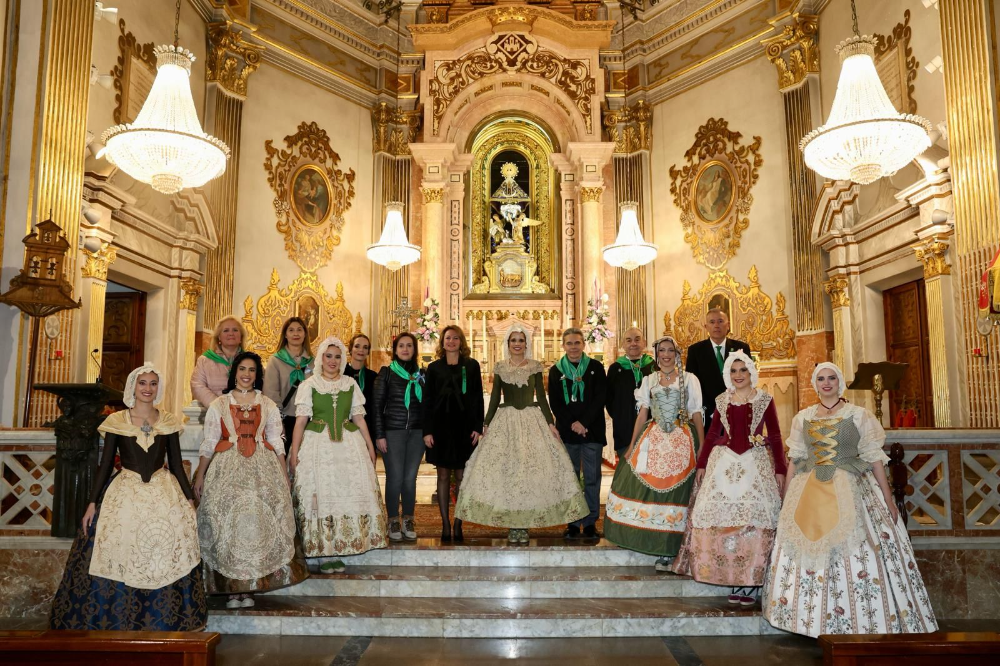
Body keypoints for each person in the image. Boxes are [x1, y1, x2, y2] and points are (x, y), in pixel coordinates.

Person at [762, 362, 938, 637]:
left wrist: (888, 500)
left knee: (856, 548)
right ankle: (808, 621)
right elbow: (795, 460)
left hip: (851, 485)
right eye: (821, 378)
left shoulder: (858, 415)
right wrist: (785, 500)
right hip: (808, 490)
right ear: (815, 383)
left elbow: (875, 459)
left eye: (832, 378)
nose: (826, 383)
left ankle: (861, 621)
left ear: (840, 382)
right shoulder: (802, 417)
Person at [50, 363, 206, 630]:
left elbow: (177, 465)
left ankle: (163, 618)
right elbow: (105, 464)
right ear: (133, 386)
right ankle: (116, 619)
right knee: (117, 544)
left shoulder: (168, 421)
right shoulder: (117, 421)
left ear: (158, 388)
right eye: (143, 383)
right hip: (124, 493)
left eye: (153, 383)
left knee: (164, 547)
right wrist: (91, 503)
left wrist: (190, 501)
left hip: (163, 492)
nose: (148, 388)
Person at [193, 352, 307, 609]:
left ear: (257, 375)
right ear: (235, 372)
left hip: (261, 470)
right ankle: (231, 590)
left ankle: (250, 587)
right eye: (243, 369)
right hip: (227, 469)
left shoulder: (267, 404)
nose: (247, 374)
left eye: (252, 370)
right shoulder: (219, 404)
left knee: (255, 525)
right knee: (228, 525)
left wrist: (283, 475)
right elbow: (210, 442)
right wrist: (200, 475)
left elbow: (276, 440)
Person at [671, 351, 785, 606]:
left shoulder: (765, 399)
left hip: (755, 465)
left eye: (743, 370)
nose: (738, 375)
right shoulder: (722, 400)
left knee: (753, 521)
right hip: (725, 463)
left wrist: (780, 469)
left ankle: (752, 581)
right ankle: (734, 577)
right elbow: (713, 435)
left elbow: (776, 435)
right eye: (733, 371)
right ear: (727, 374)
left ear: (751, 372)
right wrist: (702, 464)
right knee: (722, 521)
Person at [456, 325, 588, 543]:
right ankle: (513, 524)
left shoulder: (535, 366)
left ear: (526, 344)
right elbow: (495, 397)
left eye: (520, 340)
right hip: (505, 421)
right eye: (513, 340)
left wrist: (550, 423)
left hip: (531, 420)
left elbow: (542, 398)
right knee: (508, 473)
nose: (517, 344)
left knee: (529, 473)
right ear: (508, 344)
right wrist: (486, 424)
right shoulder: (500, 367)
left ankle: (524, 524)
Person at [604, 336, 704, 571]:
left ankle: (672, 549)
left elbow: (696, 413)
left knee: (676, 492)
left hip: (682, 439)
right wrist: (631, 446)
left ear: (677, 354)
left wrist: (702, 445)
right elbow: (642, 414)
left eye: (670, 350)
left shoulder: (689, 379)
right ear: (657, 354)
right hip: (654, 437)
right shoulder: (649, 380)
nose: (666, 355)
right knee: (650, 487)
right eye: (662, 351)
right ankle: (652, 542)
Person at [289, 337, 387, 571]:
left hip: (348, 444)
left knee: (345, 493)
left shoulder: (350, 384)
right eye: (328, 356)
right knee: (321, 496)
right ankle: (321, 552)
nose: (333, 361)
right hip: (318, 446)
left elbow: (359, 418)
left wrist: (370, 446)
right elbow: (300, 422)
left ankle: (340, 545)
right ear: (321, 358)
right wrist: (294, 452)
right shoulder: (310, 385)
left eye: (337, 356)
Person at [423, 325, 484, 541]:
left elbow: (477, 398)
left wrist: (477, 427)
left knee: (461, 476)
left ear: (461, 342)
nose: (451, 341)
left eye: (455, 338)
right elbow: (427, 401)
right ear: (442, 341)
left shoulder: (471, 365)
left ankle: (458, 522)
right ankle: (445, 524)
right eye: (448, 338)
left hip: (464, 427)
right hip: (440, 427)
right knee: (442, 475)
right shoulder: (433, 368)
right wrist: (427, 431)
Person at [548, 327, 607, 540]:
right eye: (569, 343)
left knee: (592, 478)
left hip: (592, 431)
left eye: (577, 343)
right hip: (568, 432)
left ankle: (590, 522)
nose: (573, 347)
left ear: (583, 344)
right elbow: (555, 402)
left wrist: (583, 423)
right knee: (570, 479)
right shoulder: (556, 371)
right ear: (563, 346)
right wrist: (572, 424)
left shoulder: (595, 367)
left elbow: (600, 397)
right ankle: (572, 522)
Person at [372, 332, 425, 541]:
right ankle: (393, 519)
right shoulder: (386, 373)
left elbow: (428, 405)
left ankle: (408, 519)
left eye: (409, 345)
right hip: (393, 431)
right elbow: (376, 407)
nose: (405, 349)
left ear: (414, 349)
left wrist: (427, 432)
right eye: (401, 345)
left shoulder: (422, 374)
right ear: (395, 350)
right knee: (395, 477)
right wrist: (379, 435)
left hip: (417, 432)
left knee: (410, 478)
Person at [684, 309, 751, 430]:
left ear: (728, 325)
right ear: (706, 326)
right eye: (712, 322)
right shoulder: (695, 351)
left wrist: (737, 404)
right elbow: (693, 385)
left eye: (720, 321)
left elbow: (747, 381)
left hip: (737, 410)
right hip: (708, 414)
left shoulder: (741, 348)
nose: (716, 325)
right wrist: (710, 410)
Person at [263, 317, 313, 453]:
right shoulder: (276, 360)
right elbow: (271, 393)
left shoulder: (313, 362)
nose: (296, 333)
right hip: (285, 418)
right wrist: (278, 421)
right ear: (285, 335)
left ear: (305, 334)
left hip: (308, 419)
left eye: (299, 330)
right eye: (291, 330)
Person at [606, 327, 655, 458]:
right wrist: (620, 416)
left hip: (651, 427)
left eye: (637, 340)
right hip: (624, 427)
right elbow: (609, 399)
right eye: (629, 340)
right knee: (626, 465)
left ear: (644, 343)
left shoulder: (653, 366)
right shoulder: (615, 368)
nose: (633, 343)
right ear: (623, 344)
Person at [191, 316, 246, 409]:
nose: (231, 333)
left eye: (235, 330)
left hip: (243, 412)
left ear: (241, 337)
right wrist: (219, 407)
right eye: (226, 330)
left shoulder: (251, 361)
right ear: (219, 337)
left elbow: (259, 387)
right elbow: (197, 386)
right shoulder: (204, 360)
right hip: (214, 412)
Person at [344, 333, 377, 439]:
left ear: (368, 352)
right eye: (357, 346)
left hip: (366, 427)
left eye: (365, 347)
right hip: (344, 427)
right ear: (350, 349)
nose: (361, 350)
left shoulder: (373, 376)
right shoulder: (340, 374)